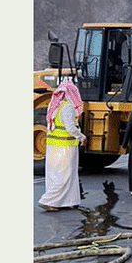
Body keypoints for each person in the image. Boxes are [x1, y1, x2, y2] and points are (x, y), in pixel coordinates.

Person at [38, 79, 86, 212]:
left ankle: (66, 201)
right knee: (65, 175)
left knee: (55, 175)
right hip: (65, 146)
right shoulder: (68, 107)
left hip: (53, 146)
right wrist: (81, 136)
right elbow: (70, 127)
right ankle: (49, 200)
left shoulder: (55, 105)